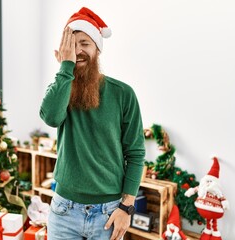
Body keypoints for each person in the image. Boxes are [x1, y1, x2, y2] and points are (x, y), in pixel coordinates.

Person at [39, 7, 145, 240]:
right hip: (63, 211)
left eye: (84, 43)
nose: (78, 51)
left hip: (107, 212)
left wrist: (126, 208)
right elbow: (50, 117)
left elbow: (136, 154)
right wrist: (65, 68)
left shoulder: (123, 94)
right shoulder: (61, 88)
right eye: (72, 45)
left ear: (98, 48)